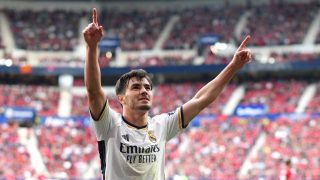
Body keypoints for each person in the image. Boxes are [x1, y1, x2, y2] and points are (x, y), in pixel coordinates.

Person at [83, 8, 252, 180]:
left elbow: (201, 99)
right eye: (136, 87)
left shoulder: (161, 125)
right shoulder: (110, 125)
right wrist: (91, 47)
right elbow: (94, 91)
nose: (144, 91)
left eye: (148, 87)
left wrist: (233, 67)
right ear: (121, 98)